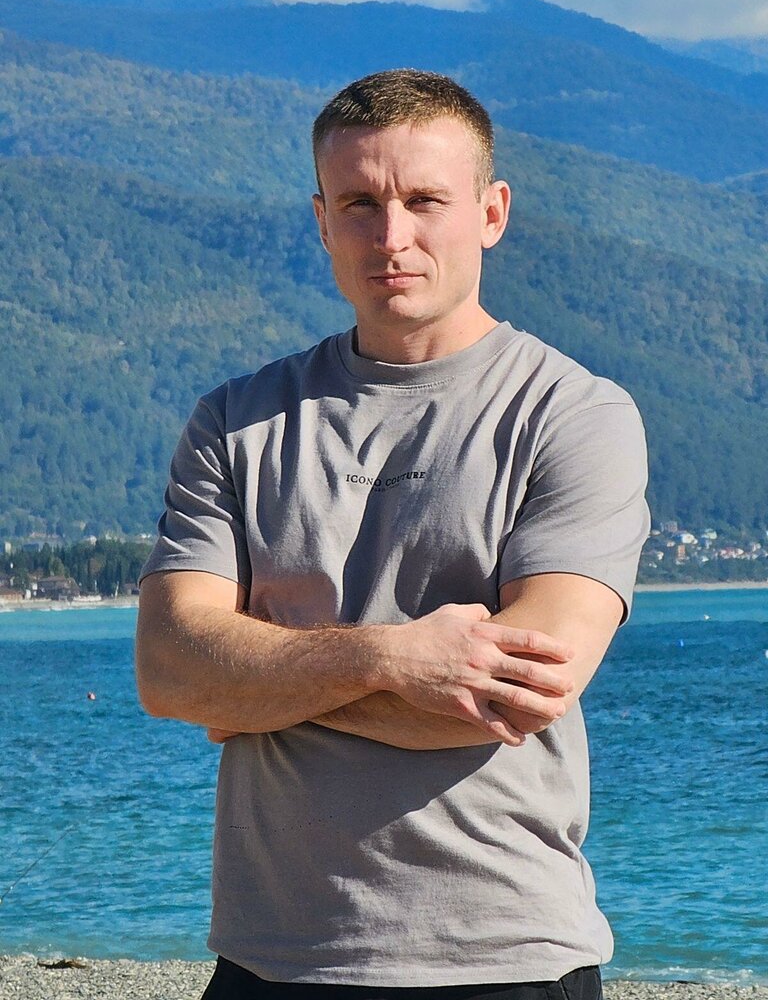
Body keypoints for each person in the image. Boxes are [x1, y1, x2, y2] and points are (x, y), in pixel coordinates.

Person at [136, 68, 650, 999]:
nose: (391, 236)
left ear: (491, 212)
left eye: (424, 201)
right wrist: (391, 659)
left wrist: (254, 686)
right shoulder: (237, 421)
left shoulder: (574, 415)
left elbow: (521, 694)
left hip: (504, 955)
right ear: (322, 221)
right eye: (360, 204)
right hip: (267, 959)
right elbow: (171, 670)